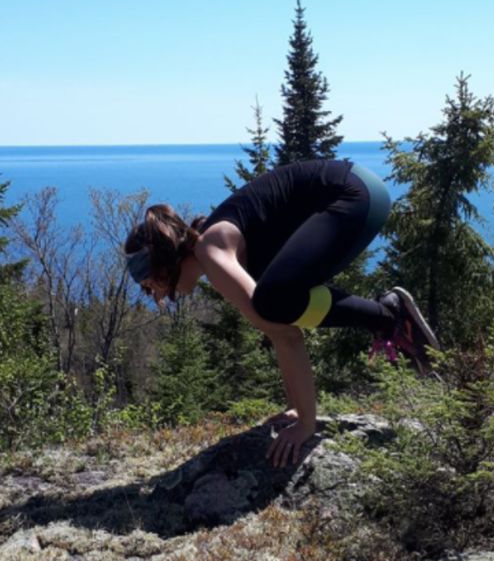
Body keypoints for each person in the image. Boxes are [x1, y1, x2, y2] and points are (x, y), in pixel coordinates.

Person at [122, 158, 438, 468]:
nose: (152, 294)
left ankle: (388, 317)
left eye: (148, 284)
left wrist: (306, 424)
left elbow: (285, 335)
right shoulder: (218, 251)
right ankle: (387, 316)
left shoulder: (212, 251)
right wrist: (295, 408)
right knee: (276, 301)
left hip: (355, 194)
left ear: (164, 267)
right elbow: (280, 327)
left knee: (271, 302)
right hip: (360, 191)